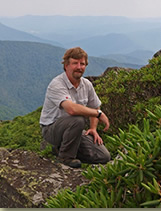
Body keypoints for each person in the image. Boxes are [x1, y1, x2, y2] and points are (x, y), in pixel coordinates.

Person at [40, 47, 111, 168]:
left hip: (74, 130)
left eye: (82, 64)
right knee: (78, 119)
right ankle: (65, 157)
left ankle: (61, 149)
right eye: (75, 63)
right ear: (66, 66)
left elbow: (95, 106)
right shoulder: (57, 84)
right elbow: (71, 109)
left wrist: (93, 128)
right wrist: (98, 114)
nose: (79, 67)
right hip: (51, 129)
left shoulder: (86, 84)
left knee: (103, 156)